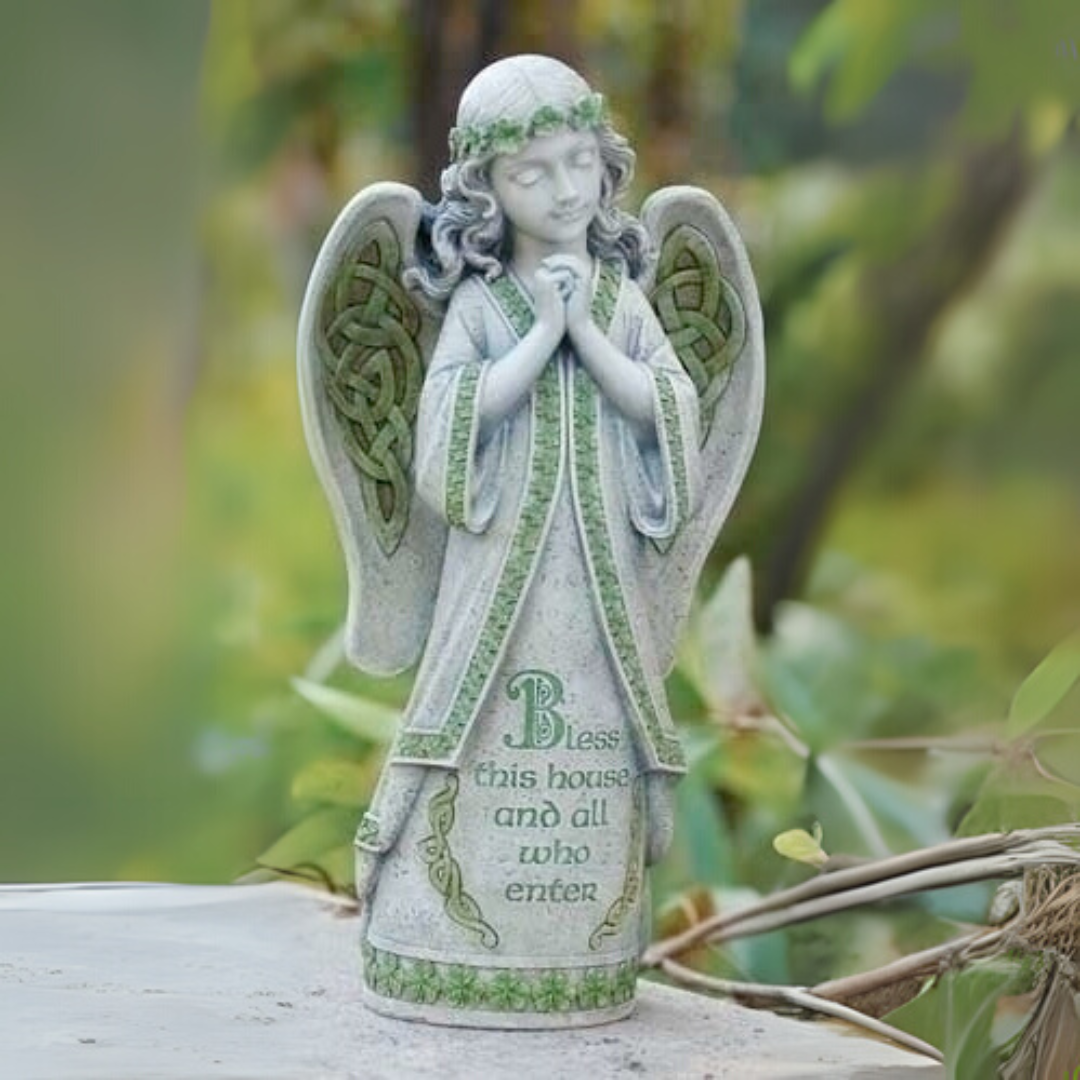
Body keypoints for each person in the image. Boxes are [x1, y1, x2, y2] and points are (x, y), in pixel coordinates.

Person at [350, 54, 703, 1026]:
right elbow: (445, 434)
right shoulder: (479, 304)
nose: (564, 190)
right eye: (531, 172)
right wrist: (543, 331)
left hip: (599, 580)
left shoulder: (622, 300)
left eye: (580, 163)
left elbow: (667, 408)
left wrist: (583, 331)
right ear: (486, 190)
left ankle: (576, 943)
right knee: (472, 706)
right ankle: (435, 930)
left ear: (606, 164)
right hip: (499, 567)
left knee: (596, 708)